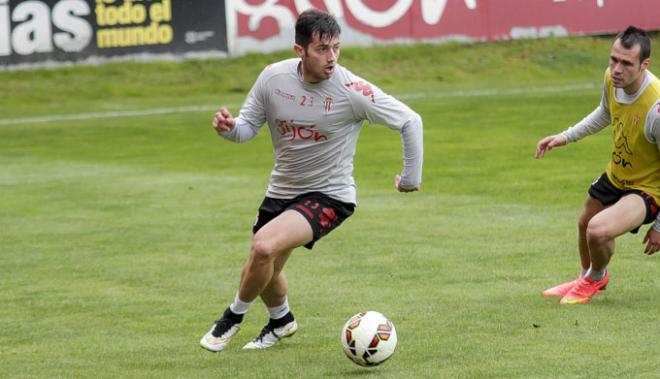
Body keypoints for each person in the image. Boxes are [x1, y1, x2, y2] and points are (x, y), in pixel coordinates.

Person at [200, 9, 423, 352]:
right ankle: (281, 321)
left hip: (330, 196)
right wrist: (229, 130)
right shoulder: (273, 79)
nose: (331, 57)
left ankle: (231, 317)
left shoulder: (351, 89)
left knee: (263, 247)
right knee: (267, 267)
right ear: (299, 51)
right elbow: (245, 129)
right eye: (321, 49)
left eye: (336, 47)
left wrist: (410, 178)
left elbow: (410, 121)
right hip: (281, 191)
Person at [535, 26, 660, 305]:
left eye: (626, 63)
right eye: (613, 59)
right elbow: (605, 112)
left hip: (648, 189)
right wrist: (565, 136)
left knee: (597, 230)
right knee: (584, 224)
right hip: (618, 174)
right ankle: (585, 277)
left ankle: (596, 277)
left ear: (644, 65)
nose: (617, 68)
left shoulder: (656, 108)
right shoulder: (611, 79)